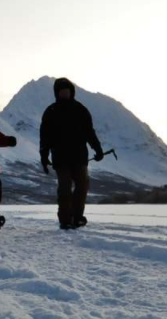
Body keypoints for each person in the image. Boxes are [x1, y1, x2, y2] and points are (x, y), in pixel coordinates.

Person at [39, 77, 104, 230]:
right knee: (65, 188)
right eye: (61, 92)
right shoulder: (50, 112)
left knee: (82, 186)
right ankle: (65, 220)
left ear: (72, 92)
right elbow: (45, 137)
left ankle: (77, 217)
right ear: (57, 93)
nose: (64, 94)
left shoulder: (81, 110)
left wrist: (98, 149)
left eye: (67, 91)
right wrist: (44, 155)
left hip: (79, 157)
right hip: (60, 159)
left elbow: (90, 133)